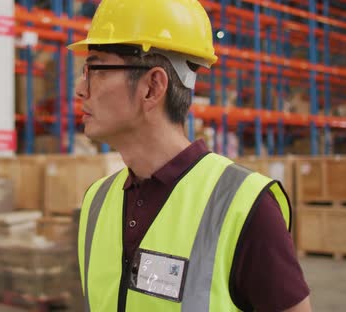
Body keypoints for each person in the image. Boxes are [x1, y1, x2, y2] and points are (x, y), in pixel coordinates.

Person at [67, 0, 312, 311]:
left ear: (152, 87)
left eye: (96, 69)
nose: (79, 88)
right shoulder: (96, 202)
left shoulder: (245, 207)